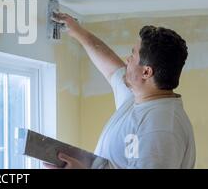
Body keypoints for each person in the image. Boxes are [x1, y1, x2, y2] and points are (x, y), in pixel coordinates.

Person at [46, 13, 196, 169]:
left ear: (146, 72)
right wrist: (78, 32)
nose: (127, 60)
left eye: (133, 54)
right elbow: (112, 69)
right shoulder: (138, 99)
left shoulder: (160, 127)